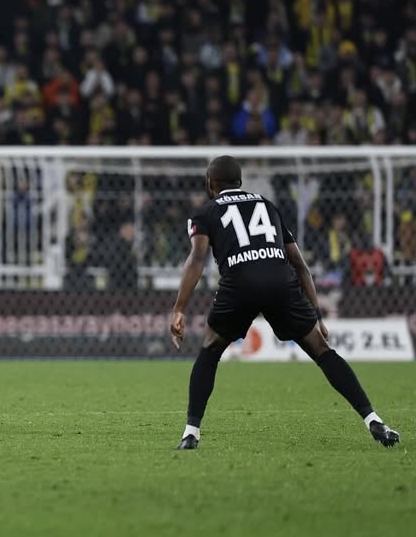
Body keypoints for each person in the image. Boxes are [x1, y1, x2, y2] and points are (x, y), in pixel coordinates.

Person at [170, 155, 400, 449]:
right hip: (281, 281)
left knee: (210, 350)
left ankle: (191, 433)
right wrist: (316, 314)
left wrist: (179, 309)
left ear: (211, 184)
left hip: (239, 283)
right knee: (321, 351)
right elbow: (300, 263)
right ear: (240, 182)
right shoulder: (268, 206)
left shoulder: (206, 212)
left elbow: (197, 258)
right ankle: (374, 420)